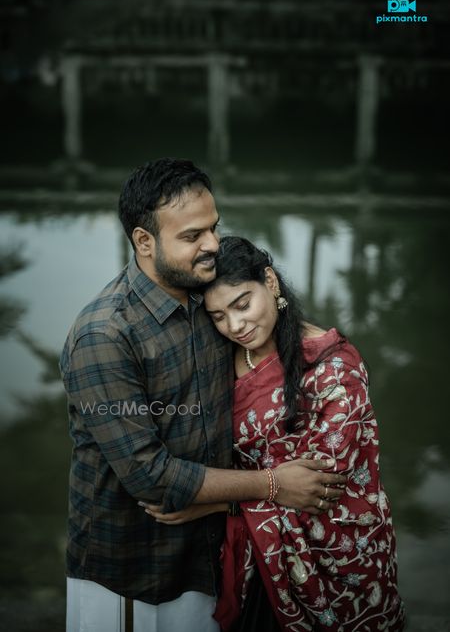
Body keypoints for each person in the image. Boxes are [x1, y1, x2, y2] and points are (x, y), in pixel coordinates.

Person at [60, 159, 347, 632]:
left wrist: (336, 358)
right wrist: (272, 485)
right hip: (134, 576)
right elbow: (150, 477)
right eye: (193, 236)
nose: (213, 244)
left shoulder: (208, 299)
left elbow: (273, 333)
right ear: (144, 241)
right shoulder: (105, 336)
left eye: (214, 227)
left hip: (214, 557)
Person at [145, 235, 406, 631]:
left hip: (332, 554)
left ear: (269, 281)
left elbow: (315, 486)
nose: (235, 325)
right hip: (253, 553)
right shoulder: (223, 354)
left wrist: (213, 503)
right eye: (218, 316)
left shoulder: (334, 370)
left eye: (242, 304)